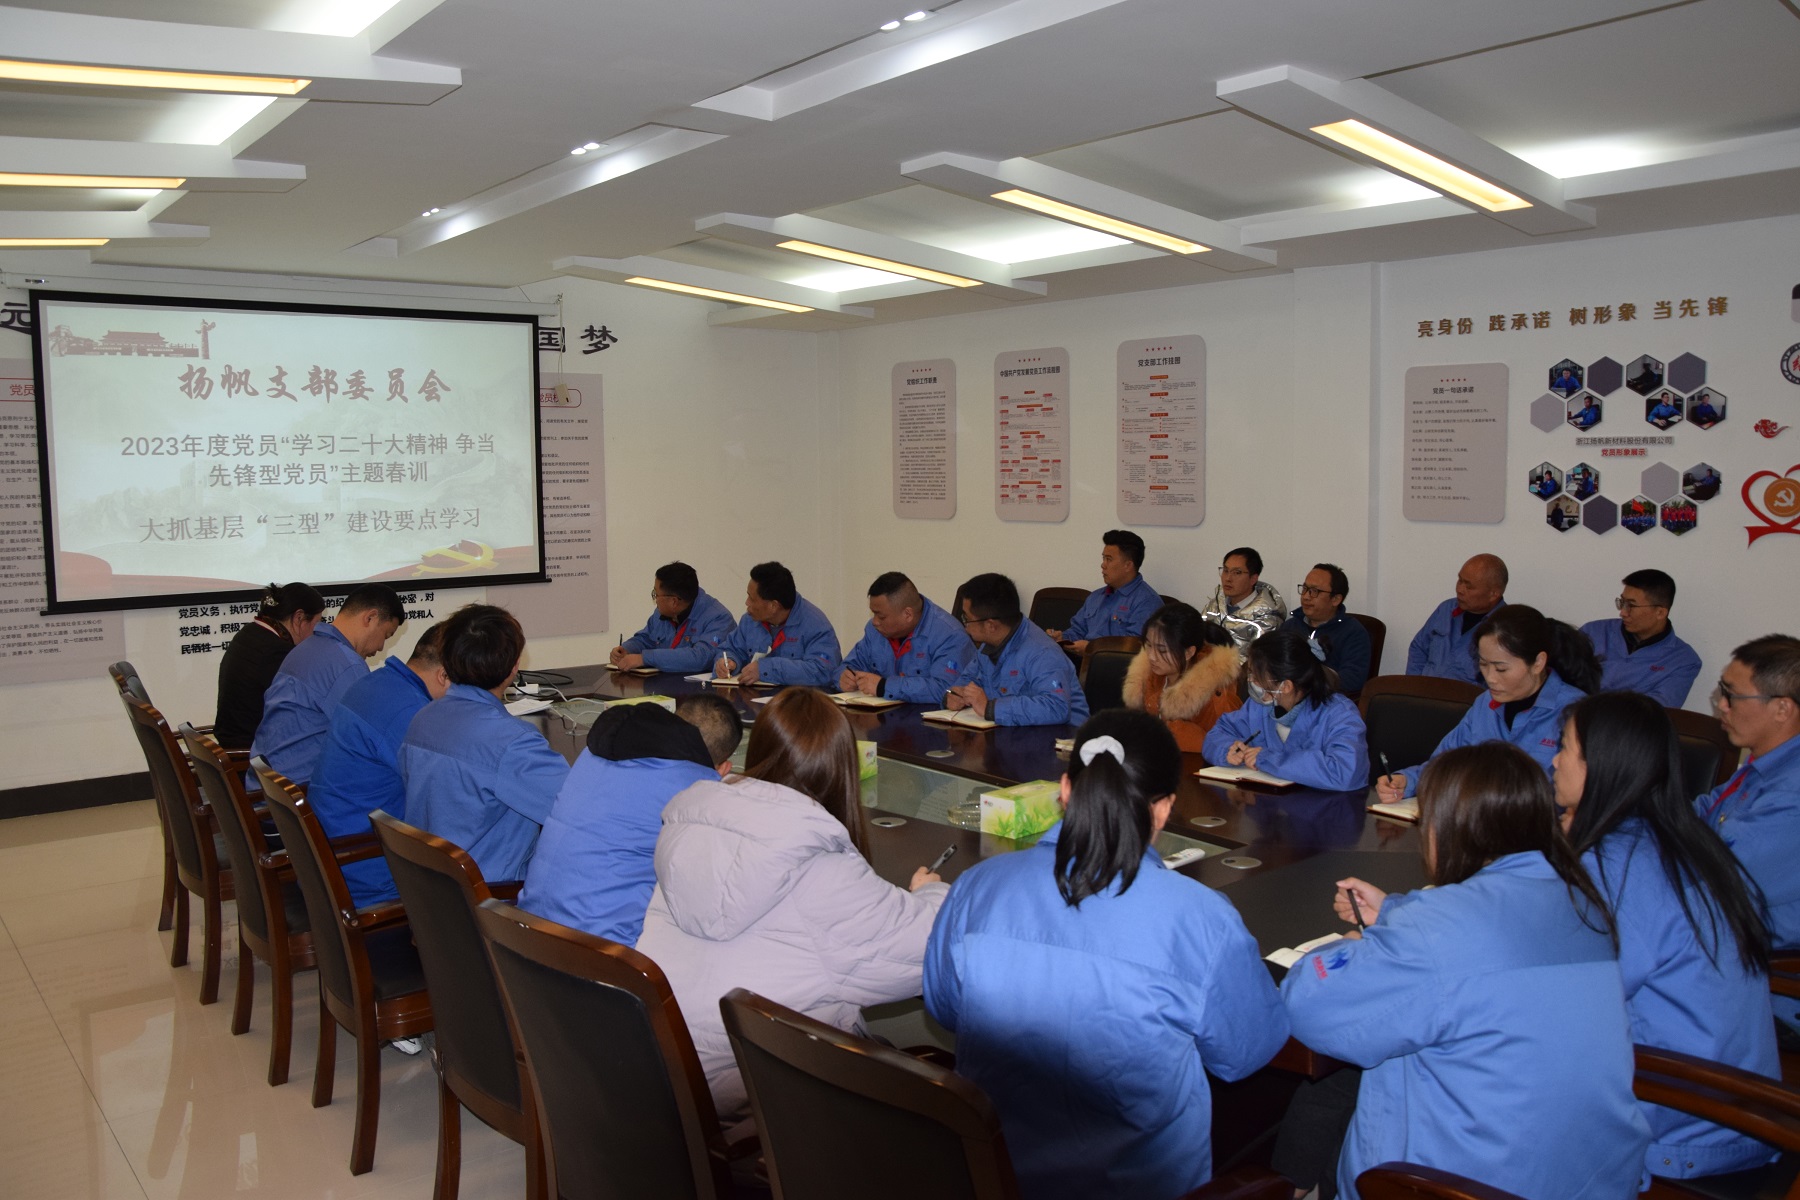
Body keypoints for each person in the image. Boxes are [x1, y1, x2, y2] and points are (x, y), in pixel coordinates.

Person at [923, 711, 1288, 1200]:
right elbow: (1245, 1054)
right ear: (1164, 809)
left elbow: (946, 1009)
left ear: (1065, 790)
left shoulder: (976, 887)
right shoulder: (1203, 918)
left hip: (996, 1179)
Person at [1284, 743, 1651, 1200]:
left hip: (1465, 1185)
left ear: (1446, 827)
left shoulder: (1438, 929)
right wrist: (1398, 912)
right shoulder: (1583, 904)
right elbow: (1489, 935)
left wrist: (1354, 945)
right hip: (1591, 1179)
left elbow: (1310, 1010)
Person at [635, 688, 948, 1117]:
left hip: (662, 1072)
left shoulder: (692, 832)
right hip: (755, 1096)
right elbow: (930, 950)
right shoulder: (820, 870)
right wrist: (930, 891)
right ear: (842, 768)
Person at [1556, 691, 1779, 1181]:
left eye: (1564, 748)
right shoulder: (1683, 841)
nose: (1553, 761)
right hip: (1742, 1108)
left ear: (1601, 766)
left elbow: (1562, 1001)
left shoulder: (1615, 868)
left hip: (1680, 1122)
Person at [517, 693, 740, 946]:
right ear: (724, 768)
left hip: (526, 932)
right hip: (603, 952)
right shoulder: (696, 787)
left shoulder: (593, 753)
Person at [399, 604, 570, 882]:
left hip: (433, 890)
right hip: (493, 897)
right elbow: (578, 812)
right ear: (514, 666)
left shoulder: (423, 719)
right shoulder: (514, 743)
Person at [1379, 604, 1598, 800]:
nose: (1490, 678)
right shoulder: (1485, 704)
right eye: (1483, 664)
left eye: (1501, 669)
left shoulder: (1575, 711)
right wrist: (1407, 781)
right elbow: (1446, 763)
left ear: (1538, 662)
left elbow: (1583, 794)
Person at [305, 621, 450, 905]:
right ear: (444, 676)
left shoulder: (377, 682)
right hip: (368, 874)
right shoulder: (411, 714)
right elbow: (447, 798)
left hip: (333, 856)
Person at [1697, 635, 1800, 951]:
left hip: (1744, 950)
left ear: (1782, 708)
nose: (1722, 705)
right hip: (1712, 921)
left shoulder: (1791, 795)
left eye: (1731, 695)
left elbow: (1717, 879)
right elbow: (1705, 810)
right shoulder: (1770, 762)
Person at [252, 583, 405, 786]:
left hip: (270, 786)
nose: (380, 647)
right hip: (299, 792)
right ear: (370, 618)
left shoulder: (305, 648)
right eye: (385, 635)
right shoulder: (347, 665)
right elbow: (376, 740)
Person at [1203, 630, 1369, 791]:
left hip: (1327, 806)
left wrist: (1268, 758)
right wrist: (1227, 750)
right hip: (1267, 802)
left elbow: (1345, 772)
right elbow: (1218, 733)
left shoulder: (1340, 713)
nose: (1250, 681)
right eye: (1250, 673)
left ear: (1286, 686)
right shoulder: (1259, 705)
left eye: (1256, 676)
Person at [946, 573, 1089, 727]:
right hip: (1012, 732)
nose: (965, 625)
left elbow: (1057, 707)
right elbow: (967, 680)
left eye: (966, 619)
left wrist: (991, 708)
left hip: (1060, 736)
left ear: (990, 625)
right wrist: (953, 695)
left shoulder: (1043, 652)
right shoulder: (986, 646)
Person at [212, 581, 325, 749]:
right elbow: (302, 710)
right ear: (299, 618)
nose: (317, 632)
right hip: (252, 753)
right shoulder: (277, 652)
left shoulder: (250, 633)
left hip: (233, 741)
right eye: (317, 623)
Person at [839, 571, 979, 701]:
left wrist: (884, 686)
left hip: (927, 718)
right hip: (883, 716)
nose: (874, 622)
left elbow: (947, 690)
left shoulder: (950, 635)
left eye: (881, 616)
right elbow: (847, 666)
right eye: (873, 614)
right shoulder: (874, 630)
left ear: (908, 614)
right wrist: (843, 678)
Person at [1122, 602, 1242, 751]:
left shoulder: (1214, 694)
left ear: (1189, 652)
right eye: (1149, 645)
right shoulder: (1149, 676)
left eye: (1162, 650)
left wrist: (1175, 732)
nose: (1151, 656)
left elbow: (1227, 747)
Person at [1579, 569, 1702, 707]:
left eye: (1631, 605)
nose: (1622, 612)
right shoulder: (1593, 632)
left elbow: (1656, 709)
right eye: (1622, 602)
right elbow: (1564, 678)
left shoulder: (1683, 660)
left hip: (1625, 721)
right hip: (1575, 713)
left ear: (1660, 612)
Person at [715, 561, 841, 687]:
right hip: (755, 696)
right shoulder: (750, 620)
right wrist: (728, 662)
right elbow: (730, 649)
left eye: (752, 599)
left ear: (773, 606)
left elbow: (823, 672)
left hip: (799, 698)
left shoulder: (815, 625)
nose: (747, 603)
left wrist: (766, 669)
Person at [1046, 529, 1162, 653]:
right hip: (1080, 660)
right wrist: (1062, 638)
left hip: (1114, 664)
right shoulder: (1096, 597)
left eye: (1109, 559)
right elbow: (1078, 631)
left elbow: (1134, 649)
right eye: (1103, 558)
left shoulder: (1147, 602)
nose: (1103, 565)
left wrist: (1092, 649)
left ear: (1128, 565)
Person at [611, 561, 736, 674]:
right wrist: (626, 649)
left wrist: (644, 658)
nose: (655, 600)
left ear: (674, 602)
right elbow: (645, 639)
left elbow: (700, 658)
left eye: (656, 594)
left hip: (698, 689)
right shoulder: (661, 613)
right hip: (661, 685)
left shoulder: (719, 618)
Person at [1404, 553, 1507, 685]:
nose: (1459, 589)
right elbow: (1418, 648)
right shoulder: (1446, 609)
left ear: (1493, 594)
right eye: (1460, 580)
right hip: (1423, 692)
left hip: (1468, 697)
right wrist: (1414, 685)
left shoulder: (1506, 627)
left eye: (1469, 586)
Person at [1279, 563, 1372, 695]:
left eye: (1314, 591)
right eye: (1304, 588)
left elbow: (1353, 679)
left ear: (1335, 599)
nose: (1305, 596)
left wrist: (1307, 681)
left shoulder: (1353, 632)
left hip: (1326, 699)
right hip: (1284, 697)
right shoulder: (1290, 626)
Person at [1199, 547, 1286, 650]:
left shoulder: (1267, 620)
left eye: (1237, 572)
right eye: (1226, 570)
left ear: (1253, 579)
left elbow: (1258, 659)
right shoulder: (1214, 606)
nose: (1228, 578)